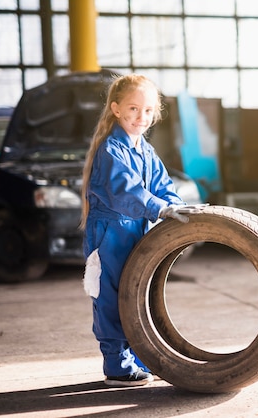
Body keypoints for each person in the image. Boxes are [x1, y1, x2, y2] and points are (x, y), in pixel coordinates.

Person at [79, 73, 201, 387]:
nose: (141, 117)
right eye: (133, 109)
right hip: (110, 234)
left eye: (148, 111)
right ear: (116, 109)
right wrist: (159, 209)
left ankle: (141, 356)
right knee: (110, 297)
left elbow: (162, 185)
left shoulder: (145, 150)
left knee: (136, 295)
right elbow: (125, 192)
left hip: (136, 231)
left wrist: (176, 205)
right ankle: (117, 366)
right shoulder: (112, 150)